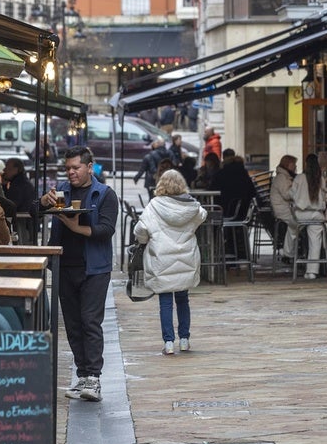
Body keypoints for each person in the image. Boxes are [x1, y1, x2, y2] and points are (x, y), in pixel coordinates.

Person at [37, 146, 118, 402]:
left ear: (89, 166)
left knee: (89, 321)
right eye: (68, 168)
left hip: (94, 268)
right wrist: (42, 202)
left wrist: (74, 226)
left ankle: (93, 378)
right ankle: (82, 375)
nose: (71, 172)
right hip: (64, 266)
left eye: (76, 168)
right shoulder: (61, 190)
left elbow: (106, 230)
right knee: (72, 324)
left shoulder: (105, 194)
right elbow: (33, 211)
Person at [134, 170, 207, 355]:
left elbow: (141, 229)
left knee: (165, 302)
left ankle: (168, 342)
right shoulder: (192, 206)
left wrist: (143, 241)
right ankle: (184, 339)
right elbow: (202, 215)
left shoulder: (154, 206)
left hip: (161, 259)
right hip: (185, 258)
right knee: (183, 300)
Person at [289, 153, 326, 280]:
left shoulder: (299, 178)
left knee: (292, 229)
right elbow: (325, 196)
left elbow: (291, 194)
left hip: (301, 214)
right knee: (315, 242)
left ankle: (288, 252)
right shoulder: (321, 179)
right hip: (317, 214)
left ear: (306, 164)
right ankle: (312, 272)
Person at [270, 154, 298, 263]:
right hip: (284, 211)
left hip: (287, 208)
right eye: (294, 164)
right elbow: (287, 195)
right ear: (288, 165)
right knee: (298, 224)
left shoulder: (284, 176)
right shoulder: (282, 178)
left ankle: (290, 252)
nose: (295, 167)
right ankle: (290, 252)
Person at [2, 157, 37, 244]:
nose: (4, 170)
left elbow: (10, 204)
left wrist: (3, 186)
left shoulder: (19, 185)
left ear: (16, 170)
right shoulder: (19, 182)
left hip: (24, 226)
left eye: (8, 168)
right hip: (26, 225)